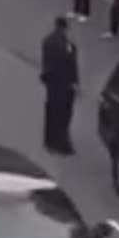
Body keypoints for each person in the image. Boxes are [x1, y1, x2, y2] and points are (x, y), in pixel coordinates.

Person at [40, 16, 79, 154]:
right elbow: (71, 66)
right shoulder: (67, 45)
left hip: (53, 84)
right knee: (63, 114)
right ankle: (62, 144)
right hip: (63, 85)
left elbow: (47, 64)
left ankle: (50, 140)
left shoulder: (48, 41)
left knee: (52, 111)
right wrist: (74, 83)